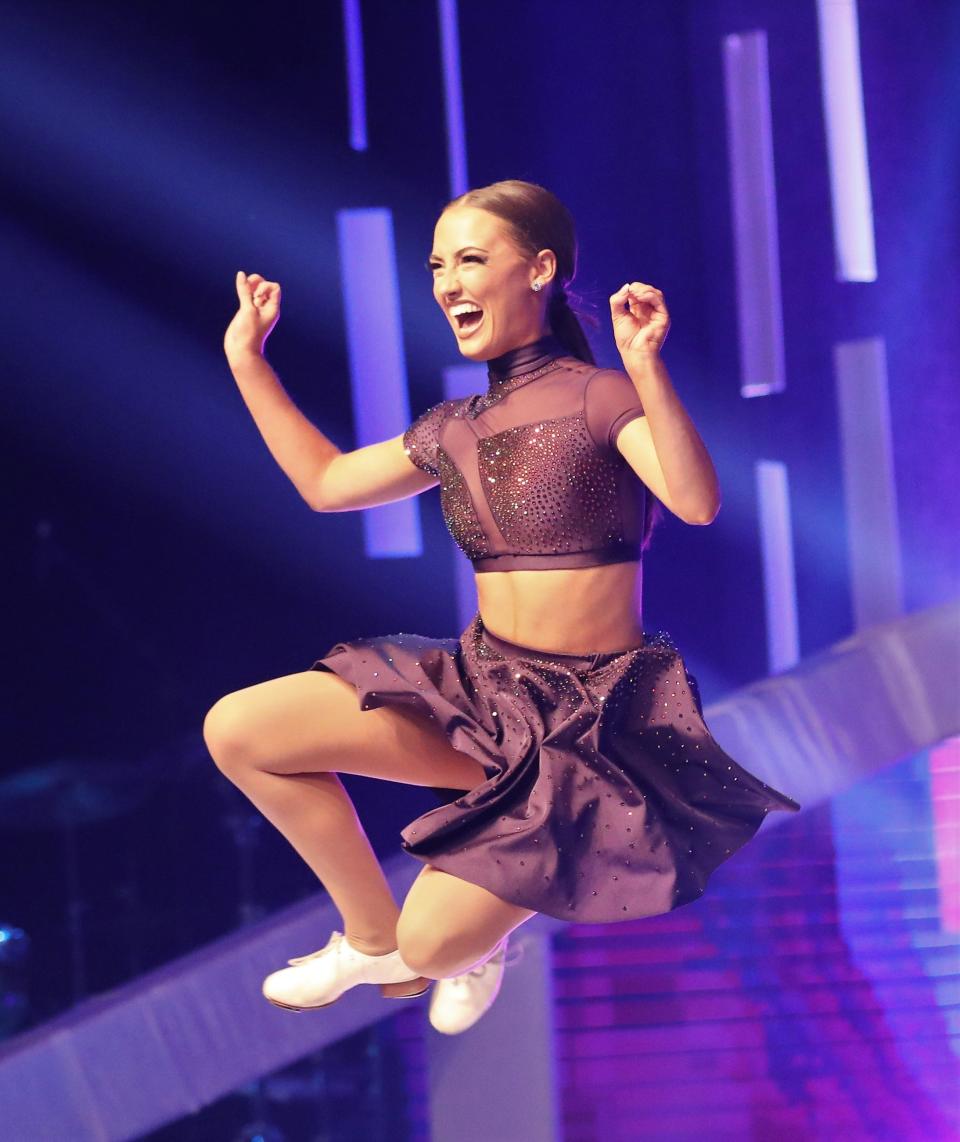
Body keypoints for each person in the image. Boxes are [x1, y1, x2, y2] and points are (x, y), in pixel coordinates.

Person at [204, 179, 800, 1036]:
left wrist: (645, 369)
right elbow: (326, 483)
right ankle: (371, 941)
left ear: (540, 269)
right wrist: (247, 362)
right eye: (438, 265)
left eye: (472, 259)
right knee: (240, 730)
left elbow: (696, 498)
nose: (448, 281)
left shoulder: (603, 397)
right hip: (482, 698)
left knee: (439, 942)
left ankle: (475, 941)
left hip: (585, 730)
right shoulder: (455, 425)